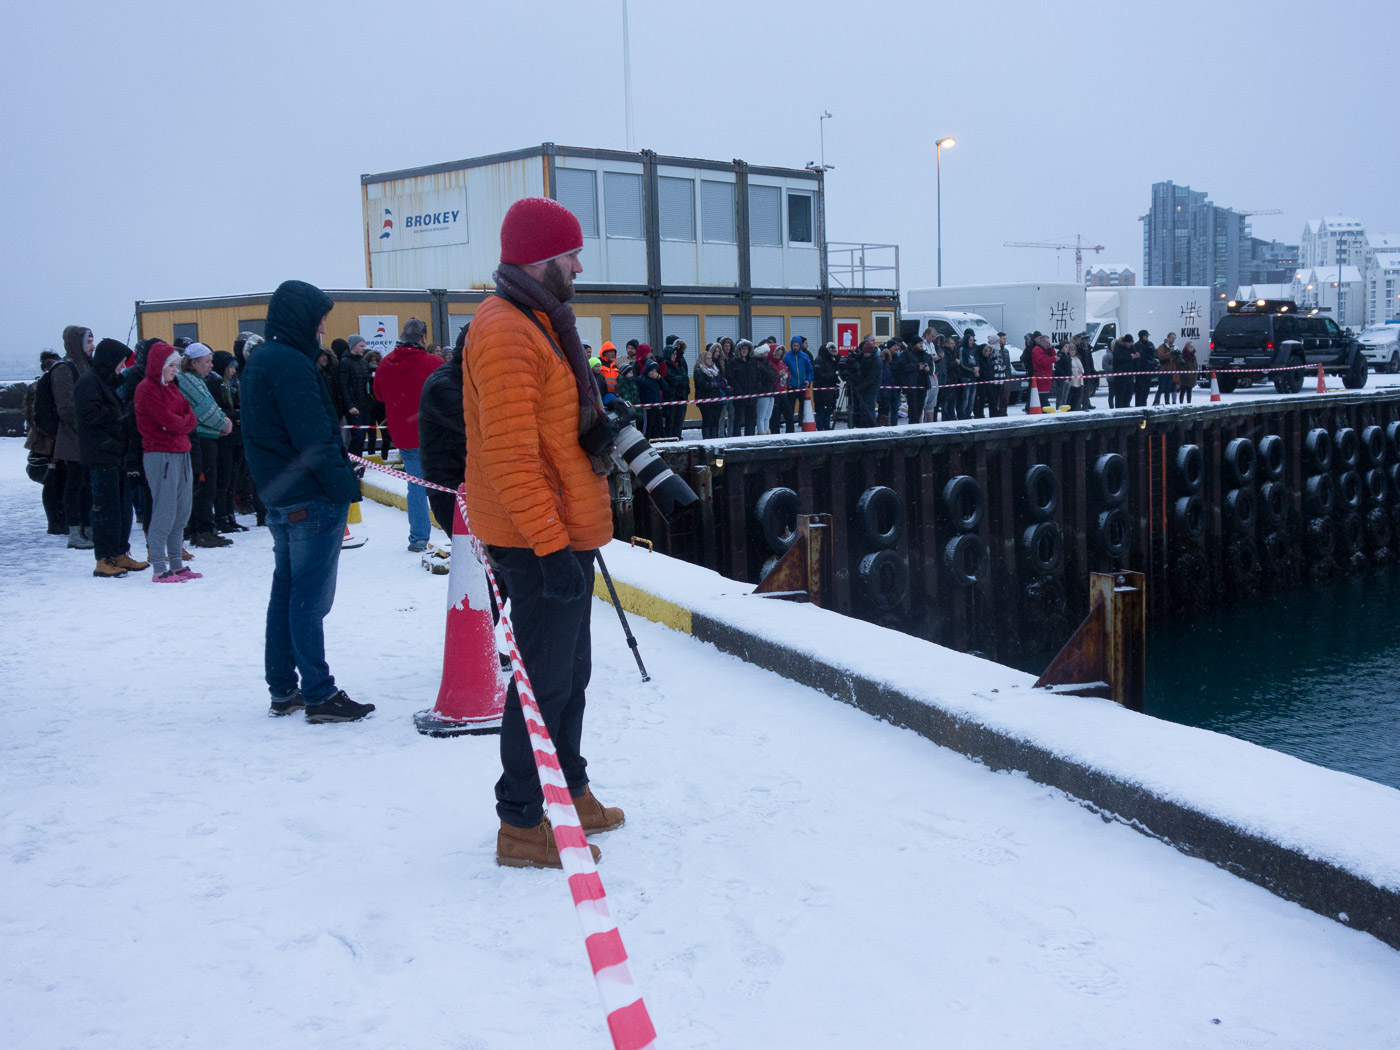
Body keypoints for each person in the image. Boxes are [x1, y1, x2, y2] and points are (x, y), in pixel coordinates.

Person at [463, 196, 621, 869]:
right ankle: (522, 823)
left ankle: (572, 790)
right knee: (542, 682)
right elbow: (511, 456)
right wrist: (552, 549)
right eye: (570, 255)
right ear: (537, 258)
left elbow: (550, 432)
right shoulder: (505, 330)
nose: (580, 266)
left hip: (560, 530)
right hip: (537, 540)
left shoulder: (540, 321)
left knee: (571, 673)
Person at [242, 280, 372, 723]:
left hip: (281, 497)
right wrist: (343, 490)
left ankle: (283, 688)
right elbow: (315, 437)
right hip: (310, 499)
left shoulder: (263, 360)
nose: (321, 327)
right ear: (301, 318)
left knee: (287, 594)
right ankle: (319, 693)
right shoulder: (291, 365)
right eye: (318, 318)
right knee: (308, 602)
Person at [75, 338, 148, 577]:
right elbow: (89, 414)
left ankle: (119, 553)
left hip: (115, 454)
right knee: (105, 509)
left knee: (121, 508)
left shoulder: (103, 381)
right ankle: (104, 558)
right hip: (101, 455)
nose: (121, 367)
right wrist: (119, 414)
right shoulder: (89, 382)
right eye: (119, 362)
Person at [374, 318, 443, 551]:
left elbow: (379, 395)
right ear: (423, 338)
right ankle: (462, 533)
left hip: (404, 435)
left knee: (415, 486)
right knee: (450, 483)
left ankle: (419, 537)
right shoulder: (433, 362)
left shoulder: (385, 364)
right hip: (433, 434)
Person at [134, 342, 198, 583]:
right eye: (171, 365)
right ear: (158, 365)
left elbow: (189, 416)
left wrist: (180, 423)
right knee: (165, 511)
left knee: (182, 510)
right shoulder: (146, 389)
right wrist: (180, 423)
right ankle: (160, 567)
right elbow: (168, 421)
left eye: (176, 365)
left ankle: (177, 565)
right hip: (160, 454)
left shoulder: (172, 388)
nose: (175, 370)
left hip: (182, 452)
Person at [175, 344, 234, 548]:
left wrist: (222, 419)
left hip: (206, 436)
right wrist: (223, 422)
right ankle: (203, 530)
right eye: (207, 361)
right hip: (200, 438)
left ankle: (199, 528)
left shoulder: (197, 380)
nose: (211, 365)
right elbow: (204, 408)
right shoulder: (187, 380)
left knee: (206, 484)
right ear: (194, 362)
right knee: (205, 485)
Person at [419, 324, 469, 535]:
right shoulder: (444, 384)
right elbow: (477, 430)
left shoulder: (469, 377)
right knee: (472, 558)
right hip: (451, 487)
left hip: (470, 482)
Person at [52, 326, 95, 549]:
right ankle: (74, 530)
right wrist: (87, 425)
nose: (92, 346)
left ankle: (87, 528)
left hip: (86, 437)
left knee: (87, 484)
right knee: (75, 484)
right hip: (73, 438)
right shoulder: (64, 368)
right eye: (88, 342)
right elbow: (66, 407)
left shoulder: (86, 365)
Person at [26, 350, 68, 534]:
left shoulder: (43, 386)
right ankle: (56, 522)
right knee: (52, 480)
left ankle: (58, 521)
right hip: (46, 443)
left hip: (49, 441)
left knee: (57, 481)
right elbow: (37, 418)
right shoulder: (39, 388)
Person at [209, 351, 247, 532]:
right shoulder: (216, 385)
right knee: (223, 480)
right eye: (230, 367)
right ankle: (221, 516)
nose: (233, 371)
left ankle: (230, 516)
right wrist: (237, 414)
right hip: (224, 438)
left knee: (232, 479)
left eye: (234, 367)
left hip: (237, 437)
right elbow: (219, 410)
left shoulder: (234, 385)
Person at [337, 334, 374, 461]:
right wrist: (350, 405)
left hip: (365, 405)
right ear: (353, 346)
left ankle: (358, 462)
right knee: (357, 436)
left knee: (362, 436)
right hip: (354, 406)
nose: (364, 348)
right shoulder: (345, 362)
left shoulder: (363, 362)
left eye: (364, 346)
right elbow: (343, 386)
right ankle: (352, 461)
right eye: (361, 346)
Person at [841, 334, 882, 428]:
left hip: (871, 386)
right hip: (862, 385)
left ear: (871, 352)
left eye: (867, 354)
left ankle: (869, 425)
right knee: (860, 406)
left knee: (867, 406)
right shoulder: (863, 357)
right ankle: (859, 424)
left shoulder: (877, 361)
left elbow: (870, 378)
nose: (866, 355)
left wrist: (857, 388)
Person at [693, 344, 726, 438]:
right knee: (707, 421)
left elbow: (722, 380)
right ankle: (707, 440)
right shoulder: (699, 371)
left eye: (711, 358)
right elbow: (703, 385)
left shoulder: (715, 369)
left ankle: (715, 440)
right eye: (708, 358)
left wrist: (721, 384)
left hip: (717, 399)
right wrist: (716, 384)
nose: (710, 360)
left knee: (715, 421)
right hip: (705, 400)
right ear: (703, 359)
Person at [898, 337, 932, 424]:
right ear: (914, 344)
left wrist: (928, 369)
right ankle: (913, 424)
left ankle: (917, 423)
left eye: (921, 343)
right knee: (913, 408)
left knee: (920, 407)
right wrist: (917, 367)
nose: (921, 345)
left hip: (923, 384)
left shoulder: (925, 354)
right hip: (912, 385)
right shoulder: (906, 354)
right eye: (919, 343)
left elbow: (931, 366)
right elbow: (903, 366)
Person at [728, 339, 758, 435]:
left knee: (751, 419)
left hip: (751, 395)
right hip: (739, 395)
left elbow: (757, 376)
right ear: (738, 350)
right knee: (738, 419)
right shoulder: (733, 362)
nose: (744, 351)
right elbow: (731, 378)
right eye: (742, 349)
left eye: (746, 349)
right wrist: (738, 390)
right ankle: (736, 438)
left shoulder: (752, 362)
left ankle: (750, 437)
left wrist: (756, 389)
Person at [664, 339, 690, 437]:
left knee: (679, 421)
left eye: (676, 353)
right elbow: (672, 380)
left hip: (681, 396)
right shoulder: (666, 365)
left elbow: (685, 378)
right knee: (671, 421)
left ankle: (678, 436)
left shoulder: (680, 365)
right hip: (671, 397)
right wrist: (680, 379)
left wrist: (681, 380)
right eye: (672, 353)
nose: (674, 355)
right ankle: (670, 438)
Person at [812, 341, 839, 430]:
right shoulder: (819, 360)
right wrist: (832, 375)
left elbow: (840, 365)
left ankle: (827, 428)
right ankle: (820, 430)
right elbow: (819, 375)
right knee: (821, 413)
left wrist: (836, 355)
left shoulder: (831, 360)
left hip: (829, 391)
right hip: (821, 391)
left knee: (828, 412)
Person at [753, 342, 778, 434]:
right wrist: (772, 375)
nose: (767, 354)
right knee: (761, 416)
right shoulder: (758, 364)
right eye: (766, 352)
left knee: (768, 416)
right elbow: (770, 375)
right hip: (764, 392)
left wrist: (772, 375)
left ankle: (766, 430)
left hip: (770, 391)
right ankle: (761, 431)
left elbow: (774, 374)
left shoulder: (767, 363)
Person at [1030, 334, 1055, 410]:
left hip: (1046, 376)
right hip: (1041, 376)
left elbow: (1054, 355)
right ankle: (1044, 409)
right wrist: (1053, 359)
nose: (1048, 344)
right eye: (1047, 342)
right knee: (1042, 396)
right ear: (1042, 342)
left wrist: (1051, 349)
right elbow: (1041, 361)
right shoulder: (1037, 350)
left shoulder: (1046, 350)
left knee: (1044, 395)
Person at [1153, 332, 1179, 406]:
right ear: (1167, 338)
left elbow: (1176, 360)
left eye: (1174, 338)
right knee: (1161, 387)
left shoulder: (1174, 347)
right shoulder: (1162, 347)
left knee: (1168, 388)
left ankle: (1167, 402)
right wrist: (1170, 353)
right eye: (1171, 338)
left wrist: (1177, 355)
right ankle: (1156, 401)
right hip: (1163, 370)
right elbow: (1160, 356)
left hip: (1170, 370)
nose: (1173, 340)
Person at [1134, 329, 1156, 408]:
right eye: (1145, 336)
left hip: (1148, 370)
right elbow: (1137, 358)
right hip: (1140, 371)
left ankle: (1144, 405)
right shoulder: (1136, 345)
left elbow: (1155, 354)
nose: (1147, 338)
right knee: (1139, 390)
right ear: (1141, 336)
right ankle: (1139, 406)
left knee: (1146, 390)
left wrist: (1151, 353)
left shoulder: (1150, 344)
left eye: (1147, 336)